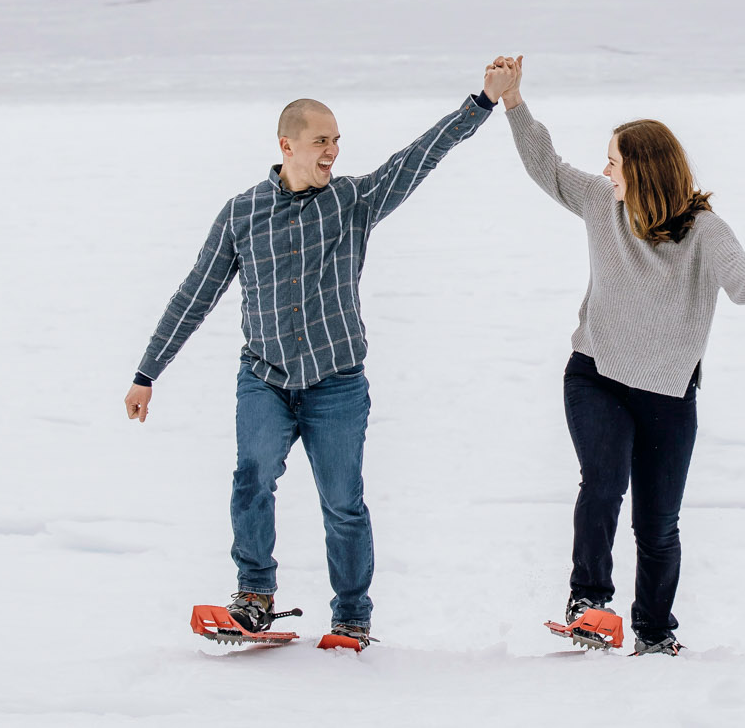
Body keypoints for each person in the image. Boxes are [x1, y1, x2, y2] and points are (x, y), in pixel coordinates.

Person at [124, 63, 517, 647]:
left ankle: (352, 615)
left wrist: (482, 103)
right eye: (321, 140)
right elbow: (196, 293)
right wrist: (147, 372)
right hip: (265, 377)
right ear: (287, 145)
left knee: (343, 504)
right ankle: (254, 596)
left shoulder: (353, 201)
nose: (333, 150)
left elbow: (418, 158)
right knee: (251, 478)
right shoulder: (242, 213)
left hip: (336, 383)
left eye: (337, 140)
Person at [489, 55, 745, 656]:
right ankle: (590, 604)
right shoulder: (603, 204)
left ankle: (655, 632)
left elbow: (739, 280)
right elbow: (546, 167)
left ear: (645, 172)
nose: (605, 170)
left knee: (657, 525)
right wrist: (514, 102)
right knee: (602, 483)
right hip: (595, 374)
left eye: (614, 161)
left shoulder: (703, 230)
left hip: (668, 393)